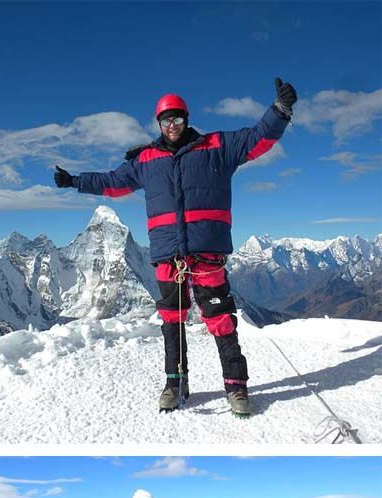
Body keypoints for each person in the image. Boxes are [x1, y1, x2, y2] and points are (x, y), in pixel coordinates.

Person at [54, 78, 297, 416]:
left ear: (186, 119)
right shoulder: (146, 160)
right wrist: (76, 181)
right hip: (169, 256)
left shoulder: (217, 147)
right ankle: (175, 384)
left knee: (220, 320)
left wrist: (280, 111)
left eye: (178, 120)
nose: (172, 126)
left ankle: (236, 388)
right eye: (166, 121)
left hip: (206, 254)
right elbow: (112, 181)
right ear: (158, 124)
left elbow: (258, 139)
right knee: (172, 321)